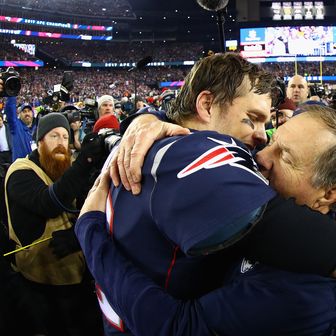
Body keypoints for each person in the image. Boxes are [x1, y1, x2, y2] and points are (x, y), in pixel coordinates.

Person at [77, 53, 336, 335]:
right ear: (207, 104)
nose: (261, 146)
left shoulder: (153, 146)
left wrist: (89, 229)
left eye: (268, 125)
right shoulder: (198, 156)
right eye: (253, 119)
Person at [4, 112, 104, 335]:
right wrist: (85, 162)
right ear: (39, 141)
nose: (61, 144)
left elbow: (92, 208)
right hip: (39, 286)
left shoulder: (64, 170)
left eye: (65, 138)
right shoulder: (20, 171)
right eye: (54, 136)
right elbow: (48, 203)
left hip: (77, 281)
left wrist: (77, 237)